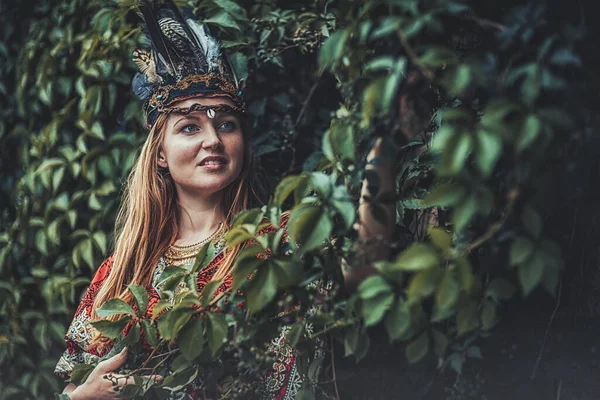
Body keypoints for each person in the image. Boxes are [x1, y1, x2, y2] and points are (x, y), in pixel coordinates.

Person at [55, 1, 395, 399]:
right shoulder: (120, 273)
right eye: (188, 127)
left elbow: (364, 268)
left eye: (227, 124)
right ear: (160, 154)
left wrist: (383, 152)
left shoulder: (279, 239)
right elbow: (75, 379)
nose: (213, 140)